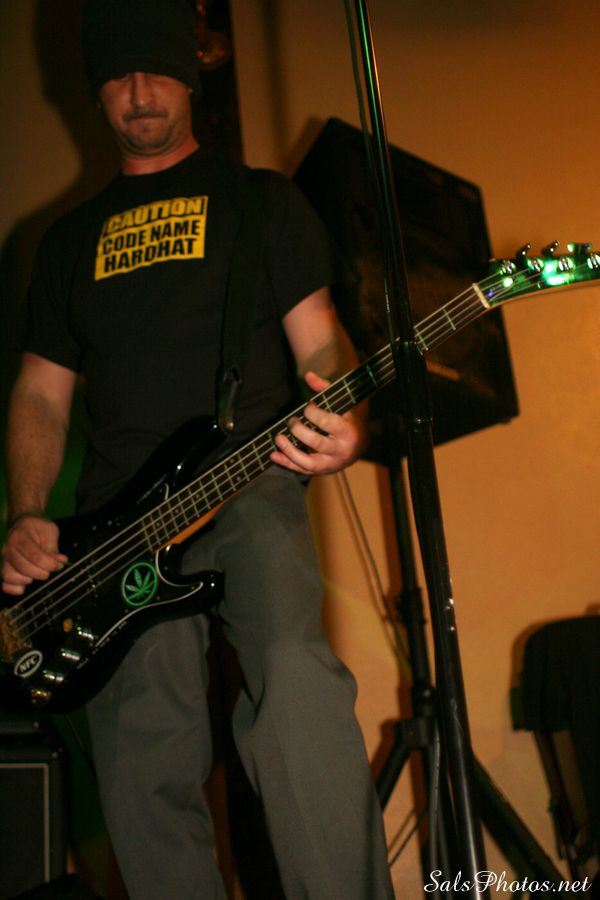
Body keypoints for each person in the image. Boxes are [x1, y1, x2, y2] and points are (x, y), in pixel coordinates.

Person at [1, 1, 395, 898]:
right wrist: (26, 514)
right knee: (141, 757)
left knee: (294, 679)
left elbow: (323, 343)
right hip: (113, 525)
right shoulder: (64, 243)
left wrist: (346, 418)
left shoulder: (260, 202)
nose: (139, 92)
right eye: (117, 75)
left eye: (156, 70)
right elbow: (39, 393)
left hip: (248, 480)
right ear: (93, 92)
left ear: (191, 76)